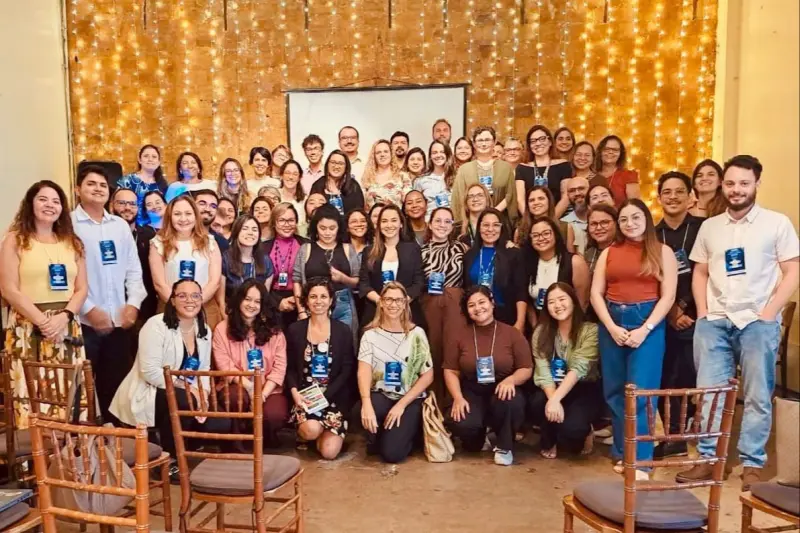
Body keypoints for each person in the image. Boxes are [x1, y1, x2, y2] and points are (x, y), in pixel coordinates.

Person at [676, 155, 799, 490]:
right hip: (715, 322)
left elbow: (792, 270)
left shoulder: (777, 223)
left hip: (757, 322)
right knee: (710, 394)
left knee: (757, 396)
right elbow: (700, 272)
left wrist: (770, 313)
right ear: (723, 186)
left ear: (757, 183)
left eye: (744, 183)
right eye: (730, 183)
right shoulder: (710, 227)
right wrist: (703, 313)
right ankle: (708, 460)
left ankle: (752, 463)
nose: (736, 189)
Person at [590, 199, 678, 476]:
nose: (630, 223)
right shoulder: (609, 252)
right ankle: (622, 452)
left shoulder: (662, 252)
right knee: (615, 392)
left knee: (641, 393)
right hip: (613, 322)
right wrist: (611, 327)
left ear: (647, 219)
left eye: (636, 217)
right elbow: (595, 293)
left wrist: (646, 329)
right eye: (624, 219)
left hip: (647, 323)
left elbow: (668, 296)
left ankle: (641, 459)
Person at [110, 280, 230, 478]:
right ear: (172, 300)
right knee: (181, 400)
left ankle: (188, 450)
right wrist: (188, 390)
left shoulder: (204, 329)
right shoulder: (156, 325)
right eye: (182, 296)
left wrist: (204, 394)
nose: (189, 300)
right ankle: (169, 459)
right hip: (149, 390)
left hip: (188, 392)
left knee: (222, 421)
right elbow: (150, 372)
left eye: (195, 296)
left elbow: (204, 369)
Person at [0, 181, 88, 428]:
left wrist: (64, 317)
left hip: (66, 325)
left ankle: (68, 449)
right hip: (28, 326)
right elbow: (8, 289)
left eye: (56, 201)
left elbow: (82, 289)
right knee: (32, 395)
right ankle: (34, 450)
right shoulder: (15, 240)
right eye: (43, 199)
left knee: (67, 393)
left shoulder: (73, 242)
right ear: (30, 203)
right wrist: (43, 322)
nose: (50, 205)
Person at [71, 165, 146, 422]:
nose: (98, 189)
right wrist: (89, 310)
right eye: (91, 184)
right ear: (78, 189)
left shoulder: (119, 226)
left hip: (119, 323)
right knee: (81, 393)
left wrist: (133, 304)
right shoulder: (68, 224)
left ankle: (114, 442)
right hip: (84, 323)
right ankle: (81, 442)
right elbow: (68, 275)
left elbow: (134, 270)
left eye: (103, 185)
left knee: (116, 392)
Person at [445, 286, 532, 466]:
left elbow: (526, 368)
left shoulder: (511, 333)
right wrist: (458, 397)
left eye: (482, 302)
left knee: (510, 401)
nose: (478, 308)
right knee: (462, 424)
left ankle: (504, 446)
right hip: (472, 388)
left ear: (492, 303)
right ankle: (479, 437)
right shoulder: (459, 335)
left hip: (502, 387)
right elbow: (451, 370)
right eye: (471, 305)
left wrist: (511, 380)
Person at [654, 171, 704, 458]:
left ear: (689, 196)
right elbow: (650, 276)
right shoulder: (652, 234)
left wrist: (685, 307)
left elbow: (706, 272)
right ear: (659, 197)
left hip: (698, 315)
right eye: (667, 192)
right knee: (665, 377)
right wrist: (672, 311)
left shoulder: (703, 229)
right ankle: (673, 437)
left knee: (688, 376)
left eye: (679, 191)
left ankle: (685, 431)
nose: (673, 197)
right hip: (663, 316)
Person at [356, 282, 434, 463]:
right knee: (364, 411)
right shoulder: (369, 335)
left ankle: (407, 435)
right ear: (381, 303)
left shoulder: (417, 334)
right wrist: (366, 403)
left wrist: (401, 405)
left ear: (405, 303)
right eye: (389, 299)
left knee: (392, 455)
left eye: (399, 300)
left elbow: (428, 375)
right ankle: (380, 435)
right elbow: (363, 371)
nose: (394, 304)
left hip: (409, 397)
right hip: (382, 393)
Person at [286, 278, 356, 459]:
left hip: (333, 397)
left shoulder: (343, 331)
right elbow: (290, 368)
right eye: (313, 296)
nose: (318, 301)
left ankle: (323, 435)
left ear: (331, 300)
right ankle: (309, 433)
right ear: (306, 300)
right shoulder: (295, 330)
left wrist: (325, 397)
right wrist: (294, 393)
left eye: (323, 296)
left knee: (329, 453)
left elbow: (347, 369)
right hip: (305, 397)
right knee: (311, 430)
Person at [213, 279, 288, 447]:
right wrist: (250, 388)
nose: (251, 305)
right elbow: (225, 365)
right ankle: (234, 441)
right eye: (247, 299)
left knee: (274, 415)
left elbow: (279, 368)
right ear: (239, 300)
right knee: (234, 398)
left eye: (257, 301)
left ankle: (263, 441)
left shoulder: (275, 332)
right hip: (237, 385)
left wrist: (262, 395)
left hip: (268, 389)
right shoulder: (222, 329)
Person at [529, 282, 600, 458]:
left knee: (572, 436)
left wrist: (555, 400)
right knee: (536, 403)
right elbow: (543, 371)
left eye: (562, 299)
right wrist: (553, 400)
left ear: (573, 301)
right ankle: (550, 438)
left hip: (581, 386)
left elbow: (578, 369)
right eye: (551, 302)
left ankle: (585, 431)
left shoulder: (590, 330)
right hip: (551, 386)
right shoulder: (541, 332)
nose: (557, 305)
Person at [149, 196, 222, 329]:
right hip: (169, 307)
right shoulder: (158, 243)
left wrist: (194, 304)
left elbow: (214, 282)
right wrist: (179, 305)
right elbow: (159, 284)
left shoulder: (210, 242)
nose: (183, 219)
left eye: (188, 213)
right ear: (170, 217)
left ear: (195, 216)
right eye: (177, 214)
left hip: (205, 308)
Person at [420, 207, 468, 398]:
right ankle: (433, 400)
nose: (442, 225)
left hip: (455, 306)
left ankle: (454, 400)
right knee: (432, 350)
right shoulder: (420, 251)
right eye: (438, 221)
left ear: (452, 226)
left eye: (447, 221)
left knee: (454, 351)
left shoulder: (462, 248)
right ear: (430, 225)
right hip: (430, 305)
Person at [293, 205, 360, 335]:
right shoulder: (306, 249)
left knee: (343, 342)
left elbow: (357, 281)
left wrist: (343, 278)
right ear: (315, 228)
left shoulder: (348, 248)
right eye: (323, 228)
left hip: (342, 304)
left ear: (339, 228)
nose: (327, 233)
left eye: (332, 228)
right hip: (312, 303)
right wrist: (301, 310)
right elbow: (297, 281)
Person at [359, 204, 425, 329]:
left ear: (401, 224)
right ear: (379, 225)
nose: (389, 225)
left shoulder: (413, 249)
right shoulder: (369, 251)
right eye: (384, 221)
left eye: (394, 220)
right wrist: (382, 302)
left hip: (408, 310)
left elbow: (419, 282)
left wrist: (400, 303)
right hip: (376, 311)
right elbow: (364, 284)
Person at [463, 208, 527, 331]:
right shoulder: (469, 256)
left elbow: (521, 291)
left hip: (506, 317)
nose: (490, 229)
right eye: (486, 225)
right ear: (479, 228)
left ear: (502, 228)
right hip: (477, 316)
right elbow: (465, 289)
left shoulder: (513, 254)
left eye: (496, 225)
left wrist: (520, 323)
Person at [524, 217, 590, 326]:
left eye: (546, 233)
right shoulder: (528, 264)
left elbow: (583, 301)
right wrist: (536, 326)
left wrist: (570, 327)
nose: (541, 238)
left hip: (571, 324)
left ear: (555, 235)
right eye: (535, 235)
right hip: (540, 325)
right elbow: (527, 301)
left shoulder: (574, 262)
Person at [111, 187, 158, 324]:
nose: (127, 208)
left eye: (132, 204)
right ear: (111, 205)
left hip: (145, 308)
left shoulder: (150, 235)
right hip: (112, 306)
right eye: (122, 203)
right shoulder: (104, 235)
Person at [451, 126, 517, 223]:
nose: (484, 144)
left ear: (494, 142)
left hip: (500, 220)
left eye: (487, 140)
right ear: (474, 144)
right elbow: (458, 199)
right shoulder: (464, 170)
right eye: (480, 140)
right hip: (472, 222)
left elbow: (510, 195)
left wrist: (494, 212)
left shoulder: (506, 168)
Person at [218, 215, 275, 319]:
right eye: (245, 228)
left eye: (254, 230)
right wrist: (227, 321)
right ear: (236, 232)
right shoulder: (225, 259)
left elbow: (264, 300)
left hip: (256, 317)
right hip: (231, 315)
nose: (250, 233)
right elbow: (220, 301)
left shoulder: (265, 261)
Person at [263, 203, 308, 329]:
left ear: (296, 222)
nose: (286, 224)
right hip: (272, 301)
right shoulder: (263, 248)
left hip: (301, 300)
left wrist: (298, 300)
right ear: (274, 223)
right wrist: (277, 302)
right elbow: (259, 282)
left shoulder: (306, 245)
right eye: (282, 220)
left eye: (291, 220)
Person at [515, 125, 572, 218]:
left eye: (542, 139)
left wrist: (551, 220)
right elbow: (520, 200)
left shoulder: (563, 165)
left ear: (550, 142)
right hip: (530, 220)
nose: (538, 143)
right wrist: (531, 222)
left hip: (557, 219)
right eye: (533, 141)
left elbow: (566, 197)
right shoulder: (522, 168)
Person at [117, 144, 168, 227]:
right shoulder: (127, 181)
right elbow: (116, 204)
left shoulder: (162, 184)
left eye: (154, 157)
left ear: (159, 162)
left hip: (156, 228)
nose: (150, 159)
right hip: (130, 227)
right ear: (139, 160)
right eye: (146, 156)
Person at [310, 150, 366, 216]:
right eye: (333, 162)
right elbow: (312, 210)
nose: (336, 167)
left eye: (340, 163)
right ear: (327, 164)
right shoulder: (318, 185)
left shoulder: (353, 185)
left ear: (346, 167)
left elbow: (359, 211)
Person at [594, 135, 640, 208]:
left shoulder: (628, 176)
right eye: (606, 149)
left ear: (620, 154)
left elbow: (635, 207)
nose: (610, 152)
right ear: (600, 151)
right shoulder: (592, 175)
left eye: (615, 150)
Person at [362, 140, 410, 209]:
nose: (382, 155)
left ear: (391, 154)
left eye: (386, 151)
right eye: (378, 152)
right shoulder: (367, 177)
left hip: (398, 215)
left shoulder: (403, 176)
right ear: (374, 156)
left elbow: (409, 201)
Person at [415, 140, 456, 219]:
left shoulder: (457, 178)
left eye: (442, 152)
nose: (438, 155)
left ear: (447, 154)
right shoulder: (421, 180)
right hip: (429, 223)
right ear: (430, 156)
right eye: (434, 153)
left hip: (451, 222)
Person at [346, 209, 373, 322]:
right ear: (347, 227)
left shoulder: (375, 247)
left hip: (370, 299)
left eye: (362, 221)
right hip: (347, 299)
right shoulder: (341, 248)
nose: (359, 224)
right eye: (354, 221)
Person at [583, 204, 618, 277]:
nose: (598, 228)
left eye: (604, 222)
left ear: (616, 223)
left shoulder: (624, 251)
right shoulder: (588, 254)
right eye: (593, 224)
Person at [456, 183, 491, 247]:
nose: (475, 199)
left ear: (487, 200)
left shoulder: (499, 225)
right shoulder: (457, 229)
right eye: (471, 196)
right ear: (466, 203)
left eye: (480, 195)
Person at [562, 176, 590, 255]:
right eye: (572, 191)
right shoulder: (564, 224)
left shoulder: (601, 217)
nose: (577, 193)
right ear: (567, 195)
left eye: (581, 188)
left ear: (590, 190)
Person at [278, 160, 307, 228]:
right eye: (287, 173)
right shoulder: (274, 195)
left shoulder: (305, 200)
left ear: (299, 178)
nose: (291, 177)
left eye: (295, 174)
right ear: (281, 175)